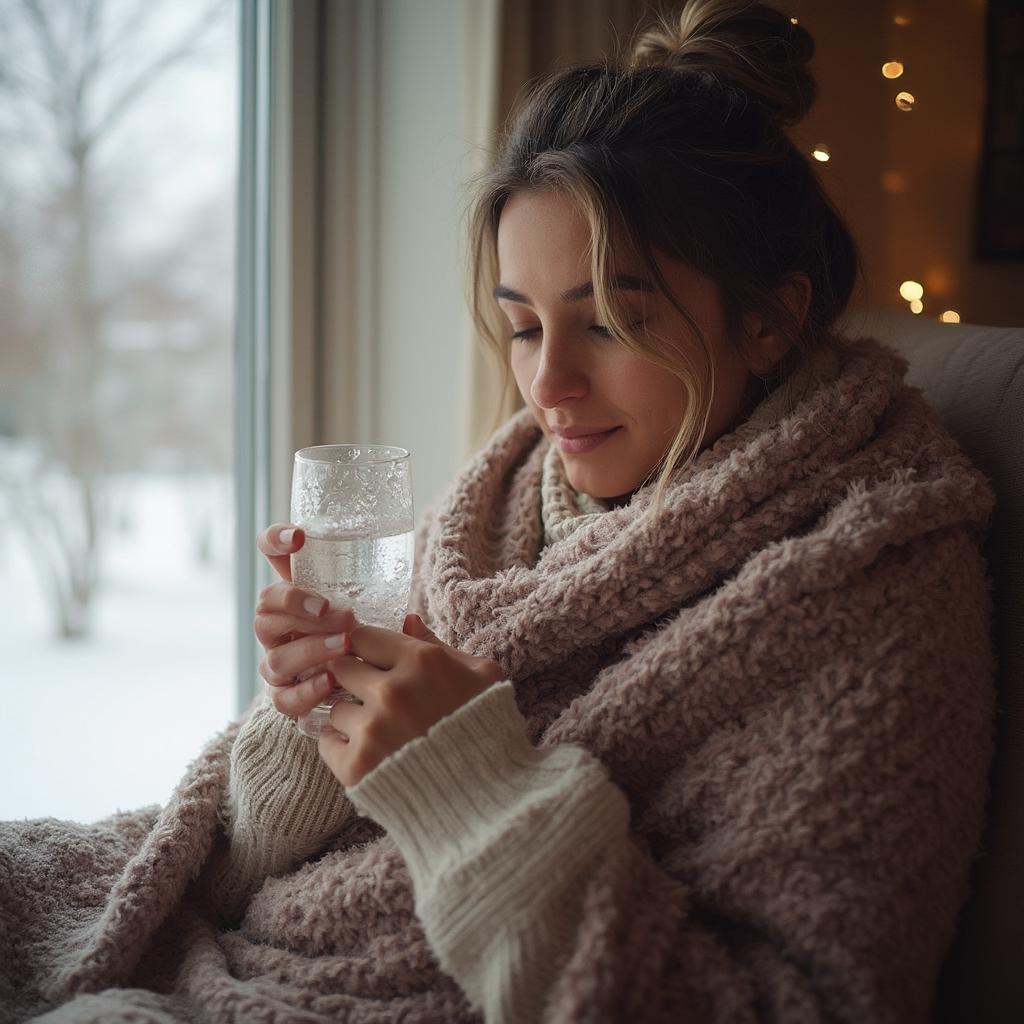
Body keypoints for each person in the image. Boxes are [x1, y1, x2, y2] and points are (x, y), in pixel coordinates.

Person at [1, 2, 997, 1021]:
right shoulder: (506, 495)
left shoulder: (876, 581)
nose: (547, 385)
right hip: (263, 946)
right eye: (522, 326)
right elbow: (245, 866)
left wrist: (462, 785)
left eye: (608, 321)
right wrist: (314, 715)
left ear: (769, 319)